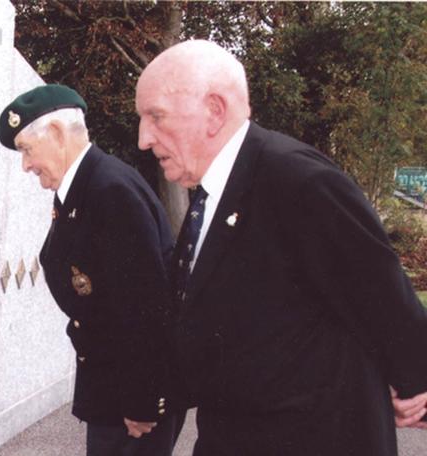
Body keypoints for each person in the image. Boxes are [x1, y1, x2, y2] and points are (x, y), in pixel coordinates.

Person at [135, 39, 427, 456]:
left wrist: (415, 383)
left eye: (156, 116)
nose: (144, 138)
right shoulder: (214, 193)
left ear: (214, 111)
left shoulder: (296, 180)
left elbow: (381, 295)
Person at [0, 84, 182, 456]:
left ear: (55, 134)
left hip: (131, 401)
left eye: (26, 150)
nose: (26, 165)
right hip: (113, 387)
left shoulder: (109, 190)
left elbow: (146, 305)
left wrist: (143, 403)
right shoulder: (83, 188)